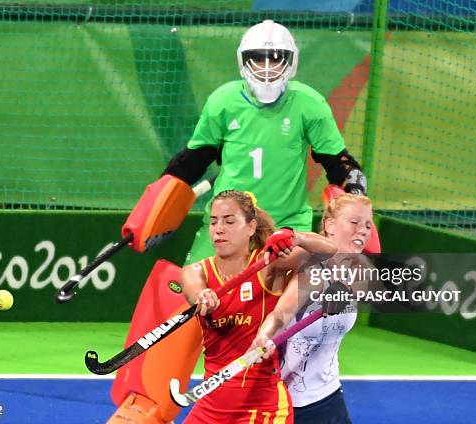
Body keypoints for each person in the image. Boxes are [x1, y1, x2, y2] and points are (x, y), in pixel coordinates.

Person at [154, 19, 368, 264]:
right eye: (258, 59)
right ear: (243, 61)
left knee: (286, 300)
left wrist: (356, 196)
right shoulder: (223, 101)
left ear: (291, 62)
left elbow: (339, 164)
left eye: (276, 59)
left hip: (287, 229)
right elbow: (191, 162)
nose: (267, 68)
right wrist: (157, 202)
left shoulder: (310, 105)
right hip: (226, 225)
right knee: (192, 296)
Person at [181, 189, 337, 424]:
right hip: (211, 403)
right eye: (213, 222)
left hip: (262, 406)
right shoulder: (196, 272)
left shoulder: (267, 265)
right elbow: (194, 291)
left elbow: (331, 252)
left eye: (229, 221)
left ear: (251, 227)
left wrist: (295, 237)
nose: (218, 229)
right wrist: (202, 296)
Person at [249, 193, 374, 424]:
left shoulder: (358, 270)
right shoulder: (310, 269)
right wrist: (263, 338)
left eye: (368, 225)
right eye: (354, 222)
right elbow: (278, 317)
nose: (364, 230)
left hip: (329, 396)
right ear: (329, 225)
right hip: (286, 403)